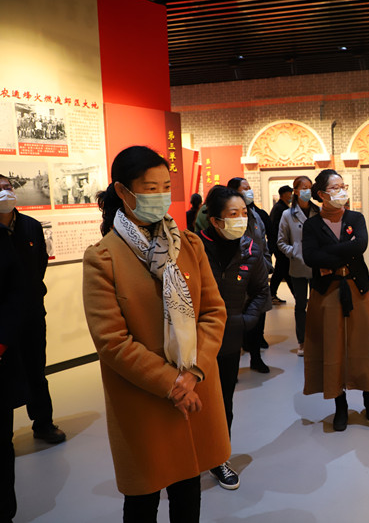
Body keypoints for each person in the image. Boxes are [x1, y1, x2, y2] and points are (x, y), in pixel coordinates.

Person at [82, 146, 230, 522]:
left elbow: (213, 312)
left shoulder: (189, 245)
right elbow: (111, 341)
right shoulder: (104, 258)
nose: (161, 196)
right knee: (143, 498)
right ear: (123, 191)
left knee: (188, 489)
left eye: (166, 187)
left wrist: (193, 373)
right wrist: (172, 383)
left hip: (195, 385)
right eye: (150, 188)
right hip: (144, 396)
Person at [302, 169, 369, 431]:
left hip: (357, 289)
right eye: (335, 187)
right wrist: (343, 250)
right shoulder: (312, 225)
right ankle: (340, 403)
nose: (341, 192)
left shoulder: (355, 218)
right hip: (327, 292)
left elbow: (360, 245)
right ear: (322, 194)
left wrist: (327, 253)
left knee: (363, 345)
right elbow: (310, 257)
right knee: (333, 347)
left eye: (343, 186)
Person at [0, 175, 65, 522]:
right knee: (9, 376)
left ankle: (43, 422)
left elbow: (39, 263)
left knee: (37, 367)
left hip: (31, 312)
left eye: (7, 187)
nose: (5, 193)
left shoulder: (30, 226)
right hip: (3, 322)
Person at [200, 185, 269, 490]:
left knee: (223, 402)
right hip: (195, 342)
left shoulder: (250, 249)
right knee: (193, 402)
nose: (241, 219)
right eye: (233, 214)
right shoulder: (194, 248)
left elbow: (261, 292)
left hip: (229, 342)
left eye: (244, 213)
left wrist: (243, 322)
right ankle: (190, 458)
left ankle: (219, 459)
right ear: (215, 220)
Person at [226, 177, 272, 372]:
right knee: (237, 322)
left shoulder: (255, 215)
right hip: (239, 277)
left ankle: (256, 358)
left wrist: (267, 264)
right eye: (245, 188)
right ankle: (233, 366)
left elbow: (263, 242)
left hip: (258, 275)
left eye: (249, 187)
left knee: (258, 316)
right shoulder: (229, 218)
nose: (249, 191)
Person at [277, 176, 319, 357]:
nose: (307, 191)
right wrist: (294, 252)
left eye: (309, 187)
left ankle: (317, 340)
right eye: (303, 187)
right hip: (298, 265)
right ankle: (302, 341)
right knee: (301, 305)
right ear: (295, 191)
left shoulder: (318, 211)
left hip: (317, 265)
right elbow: (281, 241)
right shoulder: (287, 214)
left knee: (318, 305)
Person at [269, 185, 293, 304]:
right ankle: (297, 295)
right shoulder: (280, 209)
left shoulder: (281, 207)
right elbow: (278, 228)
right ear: (284, 194)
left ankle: (271, 294)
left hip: (278, 244)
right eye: (289, 193)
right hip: (279, 245)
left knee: (280, 270)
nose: (291, 196)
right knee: (284, 269)